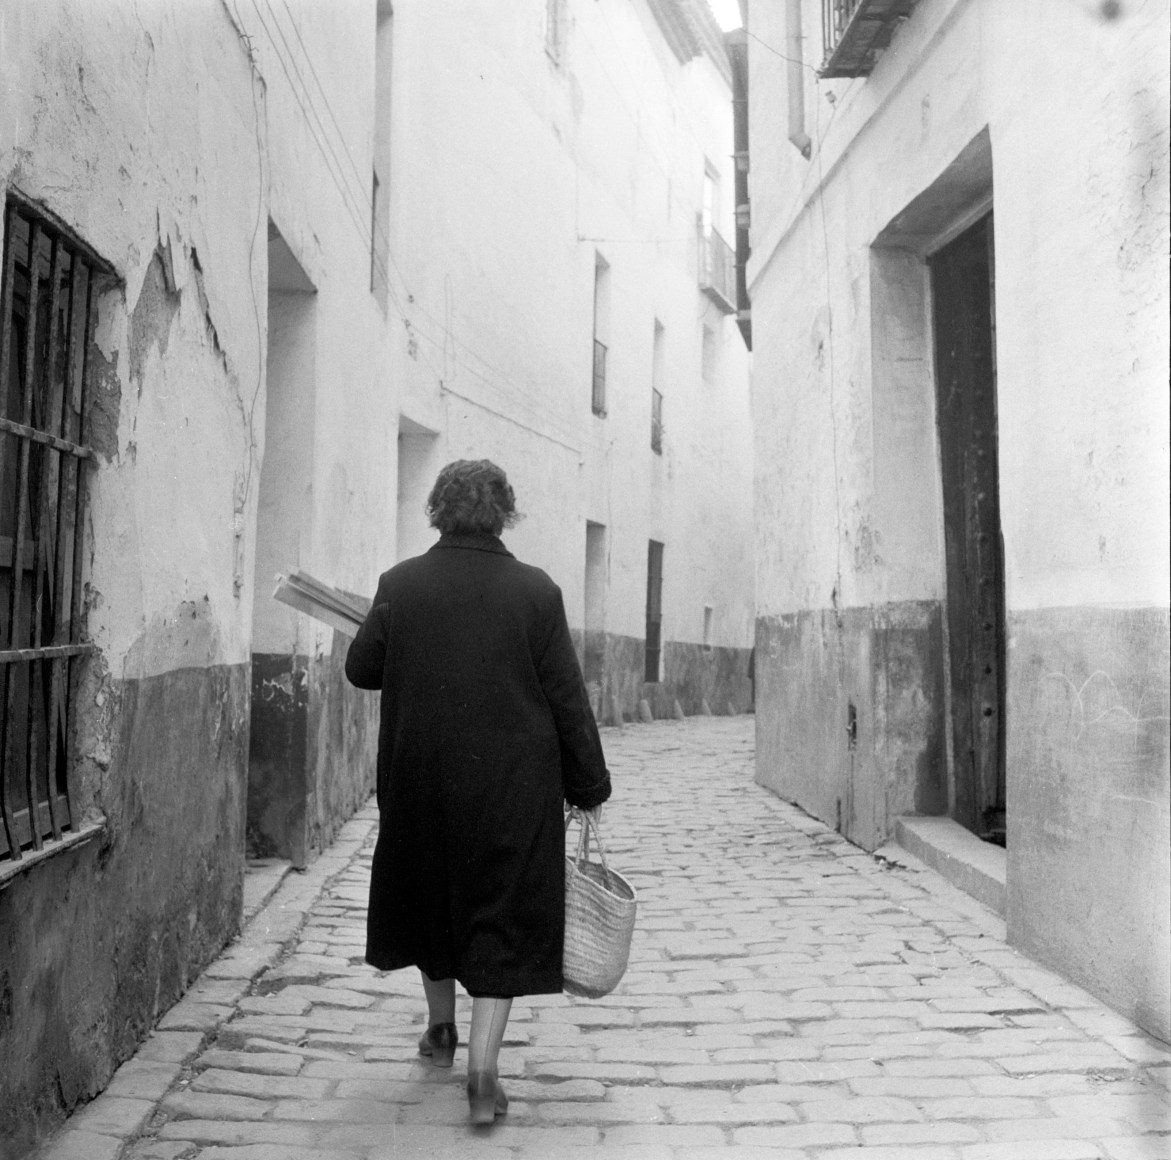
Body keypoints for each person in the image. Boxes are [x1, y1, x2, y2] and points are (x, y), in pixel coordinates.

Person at [345, 459, 612, 1125]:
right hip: (511, 786)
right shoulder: (535, 592)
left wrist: (387, 627)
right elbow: (564, 697)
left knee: (429, 899)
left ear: (437, 510)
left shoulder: (399, 584)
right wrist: (588, 781)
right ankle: (485, 1073)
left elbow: (362, 670)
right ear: (504, 514)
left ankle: (439, 1030)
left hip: (420, 780)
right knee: (500, 911)